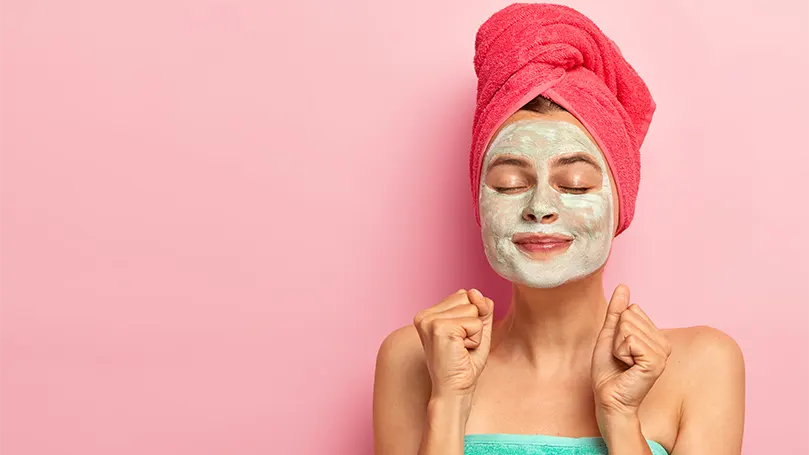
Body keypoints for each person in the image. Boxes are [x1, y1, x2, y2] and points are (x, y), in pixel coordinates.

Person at [373, 3, 745, 455]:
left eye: (575, 184)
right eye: (509, 183)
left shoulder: (702, 364)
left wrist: (622, 418)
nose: (540, 207)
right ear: (480, 202)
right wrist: (448, 404)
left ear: (619, 202)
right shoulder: (414, 358)